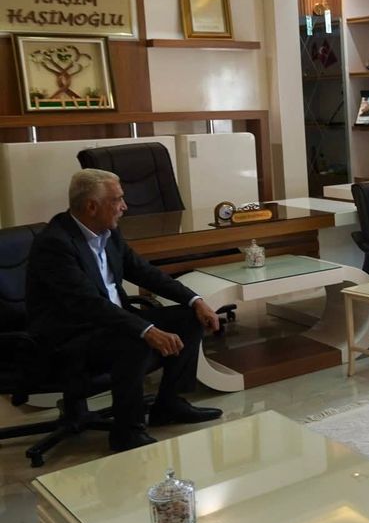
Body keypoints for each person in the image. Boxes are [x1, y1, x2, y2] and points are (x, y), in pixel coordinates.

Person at [25, 169, 224, 452]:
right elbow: (87, 303)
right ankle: (127, 432)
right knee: (135, 340)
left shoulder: (109, 232)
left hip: (110, 324)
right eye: (117, 199)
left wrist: (195, 300)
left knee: (187, 318)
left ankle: (169, 404)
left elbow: (144, 272)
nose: (124, 206)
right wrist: (146, 330)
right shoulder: (55, 243)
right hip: (71, 336)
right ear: (92, 206)